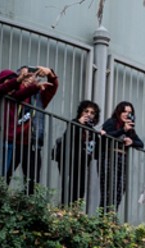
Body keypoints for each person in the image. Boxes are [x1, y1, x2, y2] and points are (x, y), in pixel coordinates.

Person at [13, 66, 59, 196]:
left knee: (32, 182)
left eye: (31, 76)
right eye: (25, 76)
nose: (29, 79)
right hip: (12, 141)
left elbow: (52, 86)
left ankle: (28, 208)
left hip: (31, 143)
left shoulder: (39, 96)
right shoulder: (14, 91)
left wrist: (50, 73)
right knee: (4, 174)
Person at [52, 100, 101, 206]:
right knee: (68, 187)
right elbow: (67, 139)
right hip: (69, 160)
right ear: (81, 112)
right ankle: (64, 209)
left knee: (80, 189)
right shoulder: (74, 123)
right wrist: (79, 123)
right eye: (86, 111)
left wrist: (103, 136)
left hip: (83, 164)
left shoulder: (92, 131)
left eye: (92, 113)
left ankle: (75, 211)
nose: (89, 114)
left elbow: (97, 152)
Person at [98, 101, 144, 213]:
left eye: (129, 112)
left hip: (122, 160)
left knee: (119, 191)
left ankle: (112, 217)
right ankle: (103, 219)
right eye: (124, 111)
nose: (127, 114)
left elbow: (141, 144)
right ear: (119, 112)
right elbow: (106, 136)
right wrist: (123, 130)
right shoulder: (111, 122)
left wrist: (131, 141)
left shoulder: (130, 128)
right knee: (109, 190)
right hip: (109, 157)